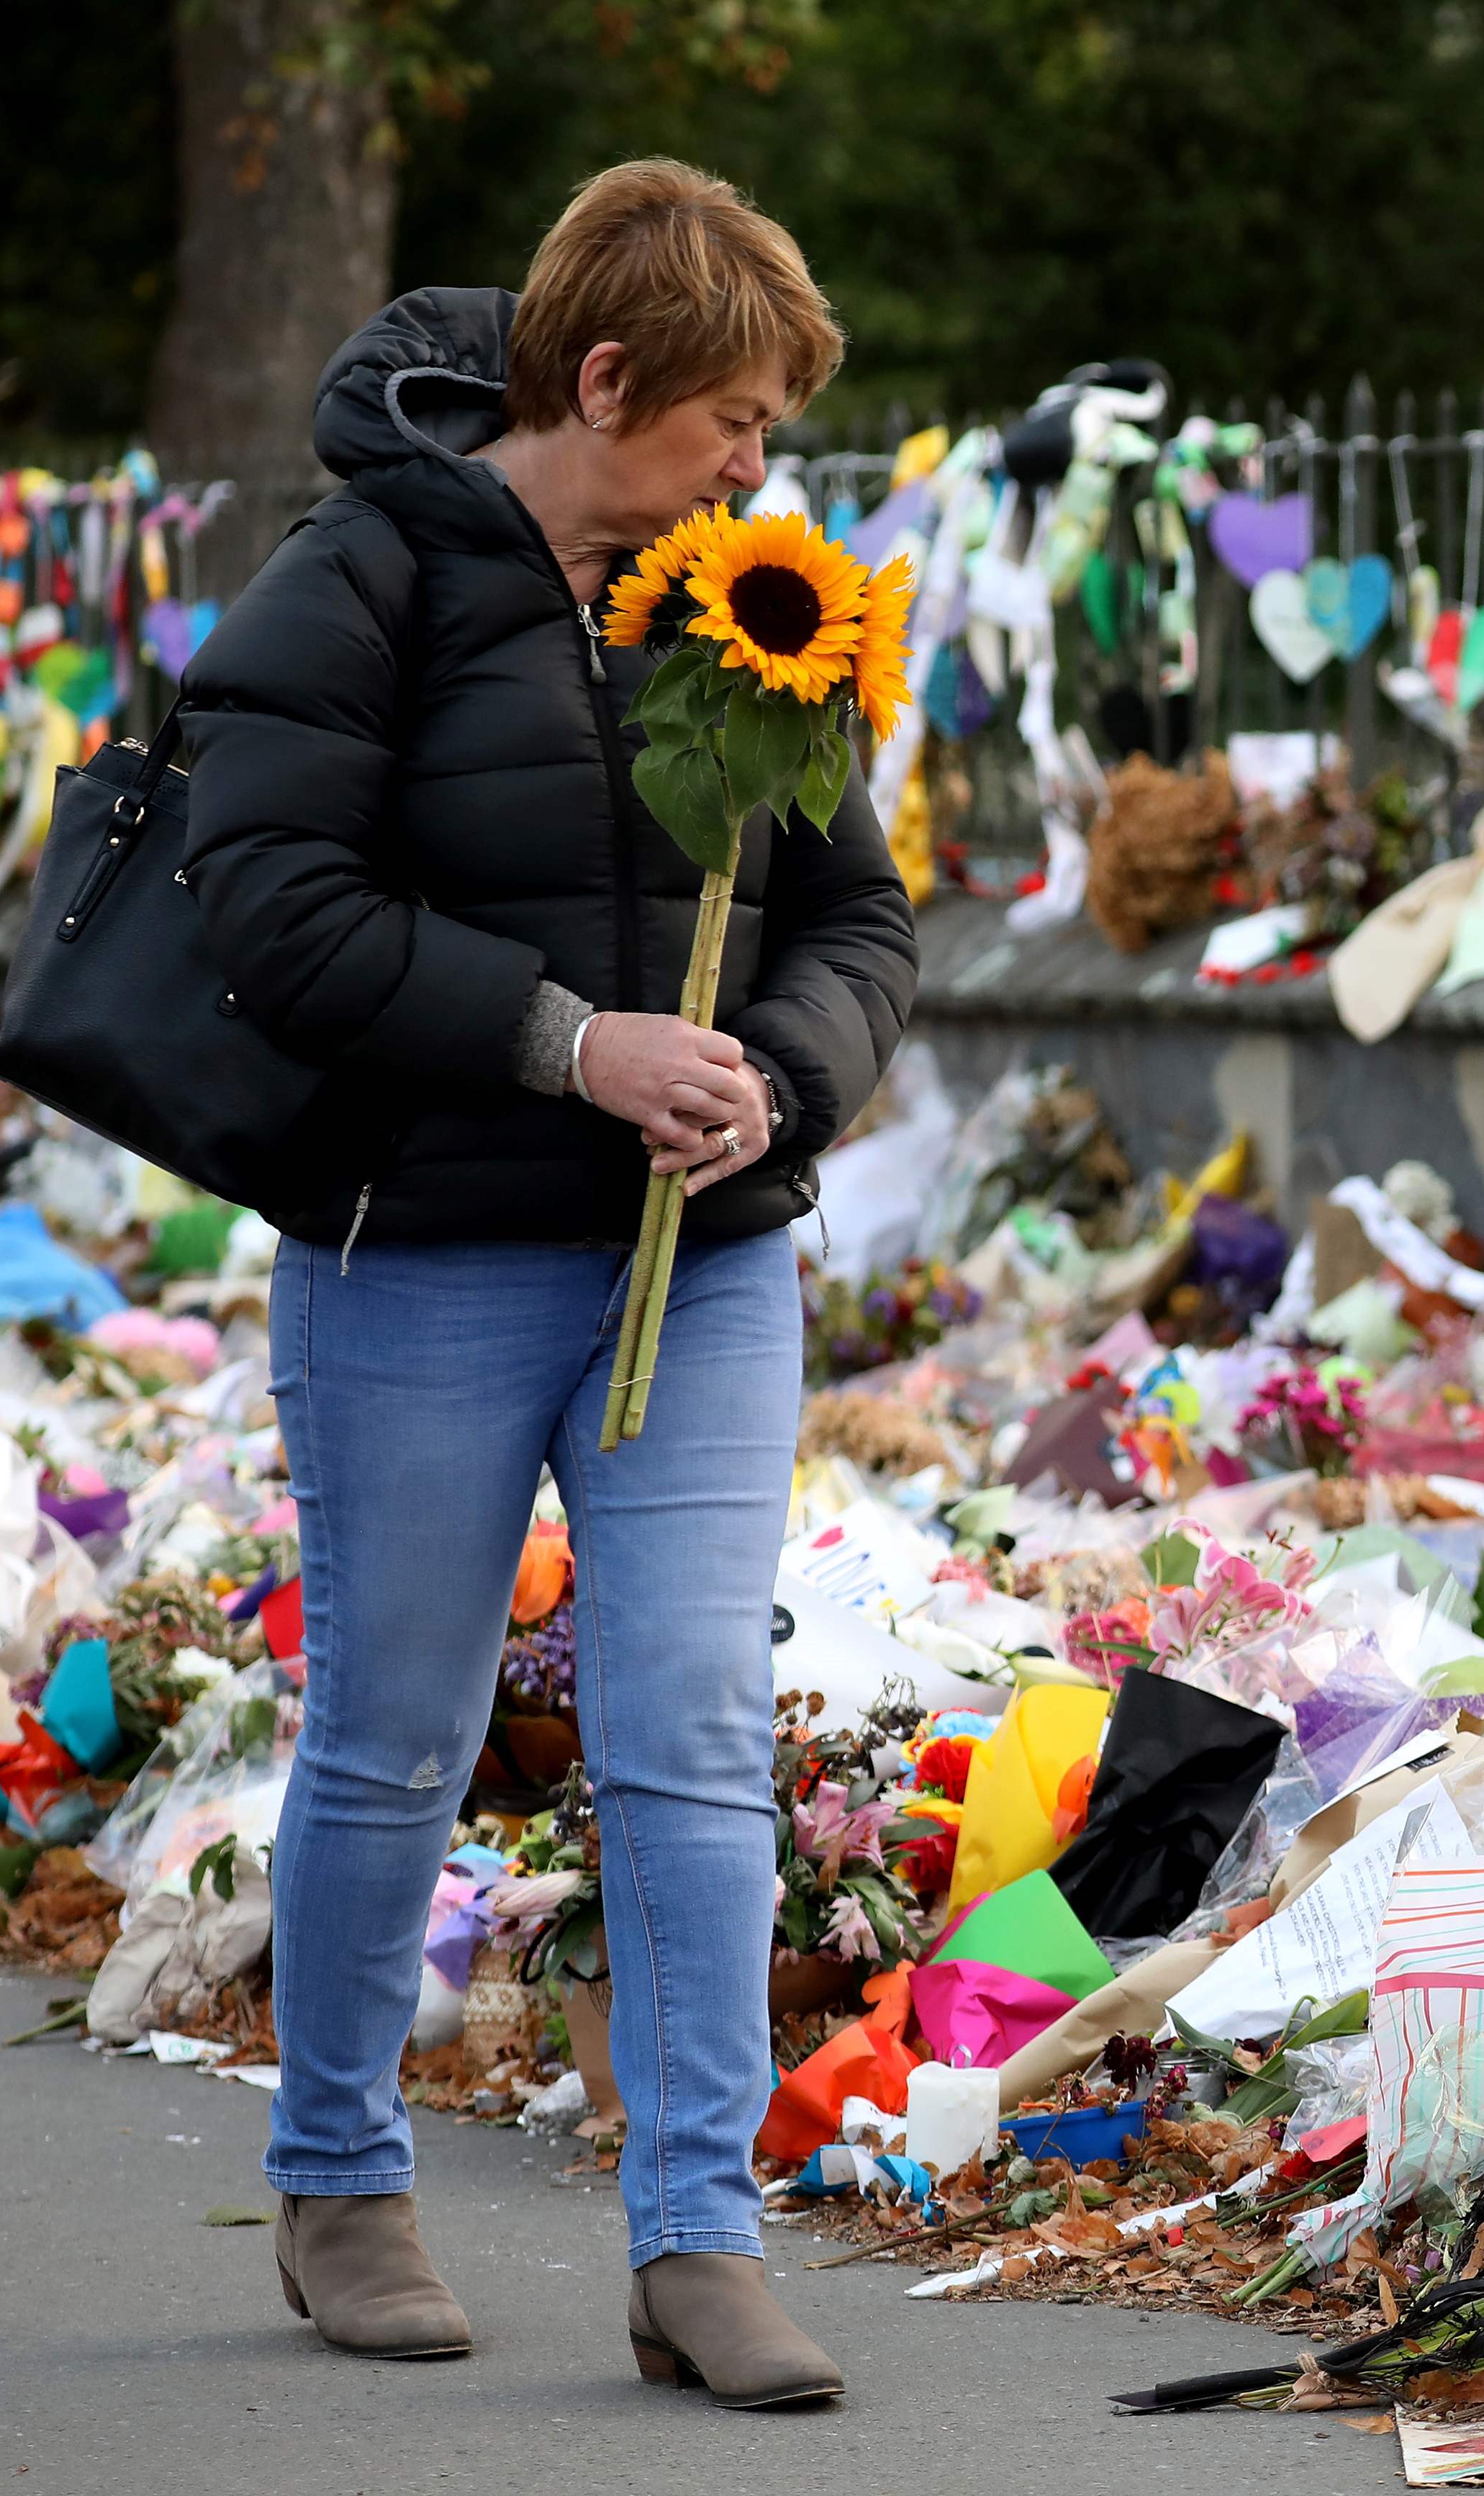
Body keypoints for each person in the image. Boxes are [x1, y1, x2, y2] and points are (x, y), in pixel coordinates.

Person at [178, 160, 917, 2406]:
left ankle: (697, 2236)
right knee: (394, 1741)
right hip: (421, 1257)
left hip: (698, 1273)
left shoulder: (749, 611)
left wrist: (775, 1080)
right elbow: (268, 907)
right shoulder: (366, 573)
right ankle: (337, 2181)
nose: (760, 476)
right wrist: (572, 1044)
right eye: (733, 429)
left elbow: (860, 927)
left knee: (690, 1737)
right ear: (603, 379)